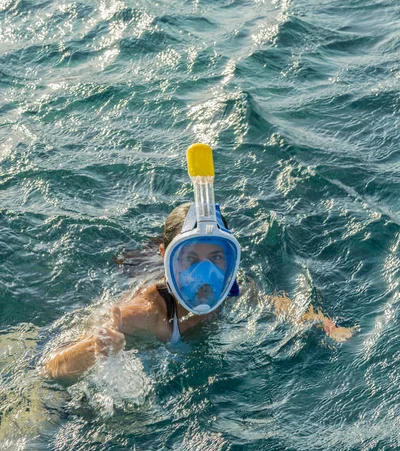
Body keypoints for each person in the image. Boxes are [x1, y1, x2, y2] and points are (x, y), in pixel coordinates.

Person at [44, 144, 355, 379]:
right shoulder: (148, 314)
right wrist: (96, 348)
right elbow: (53, 366)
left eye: (217, 257)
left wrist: (326, 324)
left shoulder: (227, 288)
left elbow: (275, 303)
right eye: (190, 258)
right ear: (169, 256)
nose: (206, 273)